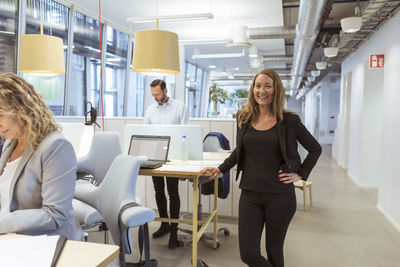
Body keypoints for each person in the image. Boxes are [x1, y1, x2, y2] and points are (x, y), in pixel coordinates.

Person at [201, 69, 321, 267]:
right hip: (250, 194)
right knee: (248, 254)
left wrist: (300, 174)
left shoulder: (289, 121)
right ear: (252, 89)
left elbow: (315, 149)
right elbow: (240, 151)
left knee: (274, 250)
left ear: (276, 90)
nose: (261, 90)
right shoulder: (244, 117)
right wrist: (221, 169)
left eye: (267, 86)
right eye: (258, 86)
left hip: (280, 196)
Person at [0, 73, 83, 241]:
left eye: (0, 115)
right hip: (13, 239)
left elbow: (54, 214)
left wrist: (3, 222)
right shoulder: (11, 143)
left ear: (20, 108)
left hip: (49, 243)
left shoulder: (56, 147)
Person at [144, 79, 189, 249]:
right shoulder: (150, 110)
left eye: (158, 94)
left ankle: (174, 232)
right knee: (158, 191)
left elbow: (185, 132)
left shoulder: (179, 107)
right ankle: (164, 224)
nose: (155, 97)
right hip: (155, 156)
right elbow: (146, 133)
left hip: (174, 157)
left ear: (165, 91)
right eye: (153, 94)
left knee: (173, 192)